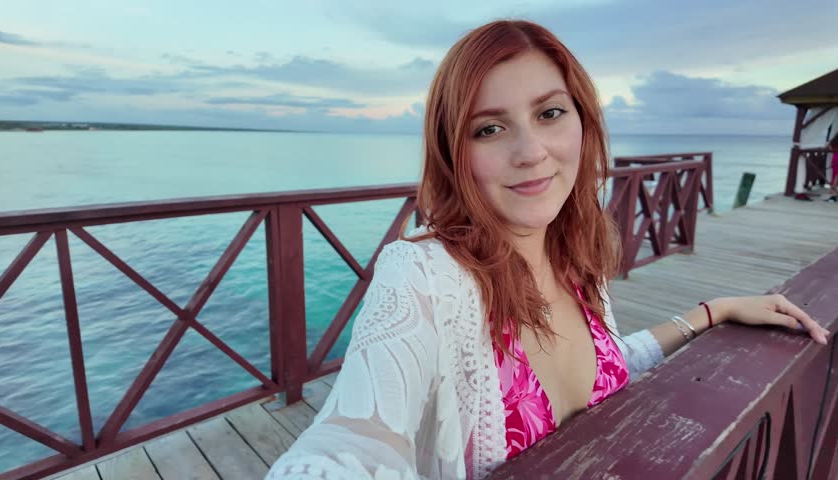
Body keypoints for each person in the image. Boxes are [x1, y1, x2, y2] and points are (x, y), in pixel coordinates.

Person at [266, 20, 829, 479]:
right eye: (488, 129)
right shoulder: (422, 275)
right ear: (452, 153)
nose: (530, 151)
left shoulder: (574, 263)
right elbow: (353, 439)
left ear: (583, 121)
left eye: (549, 113)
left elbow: (605, 371)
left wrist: (711, 313)